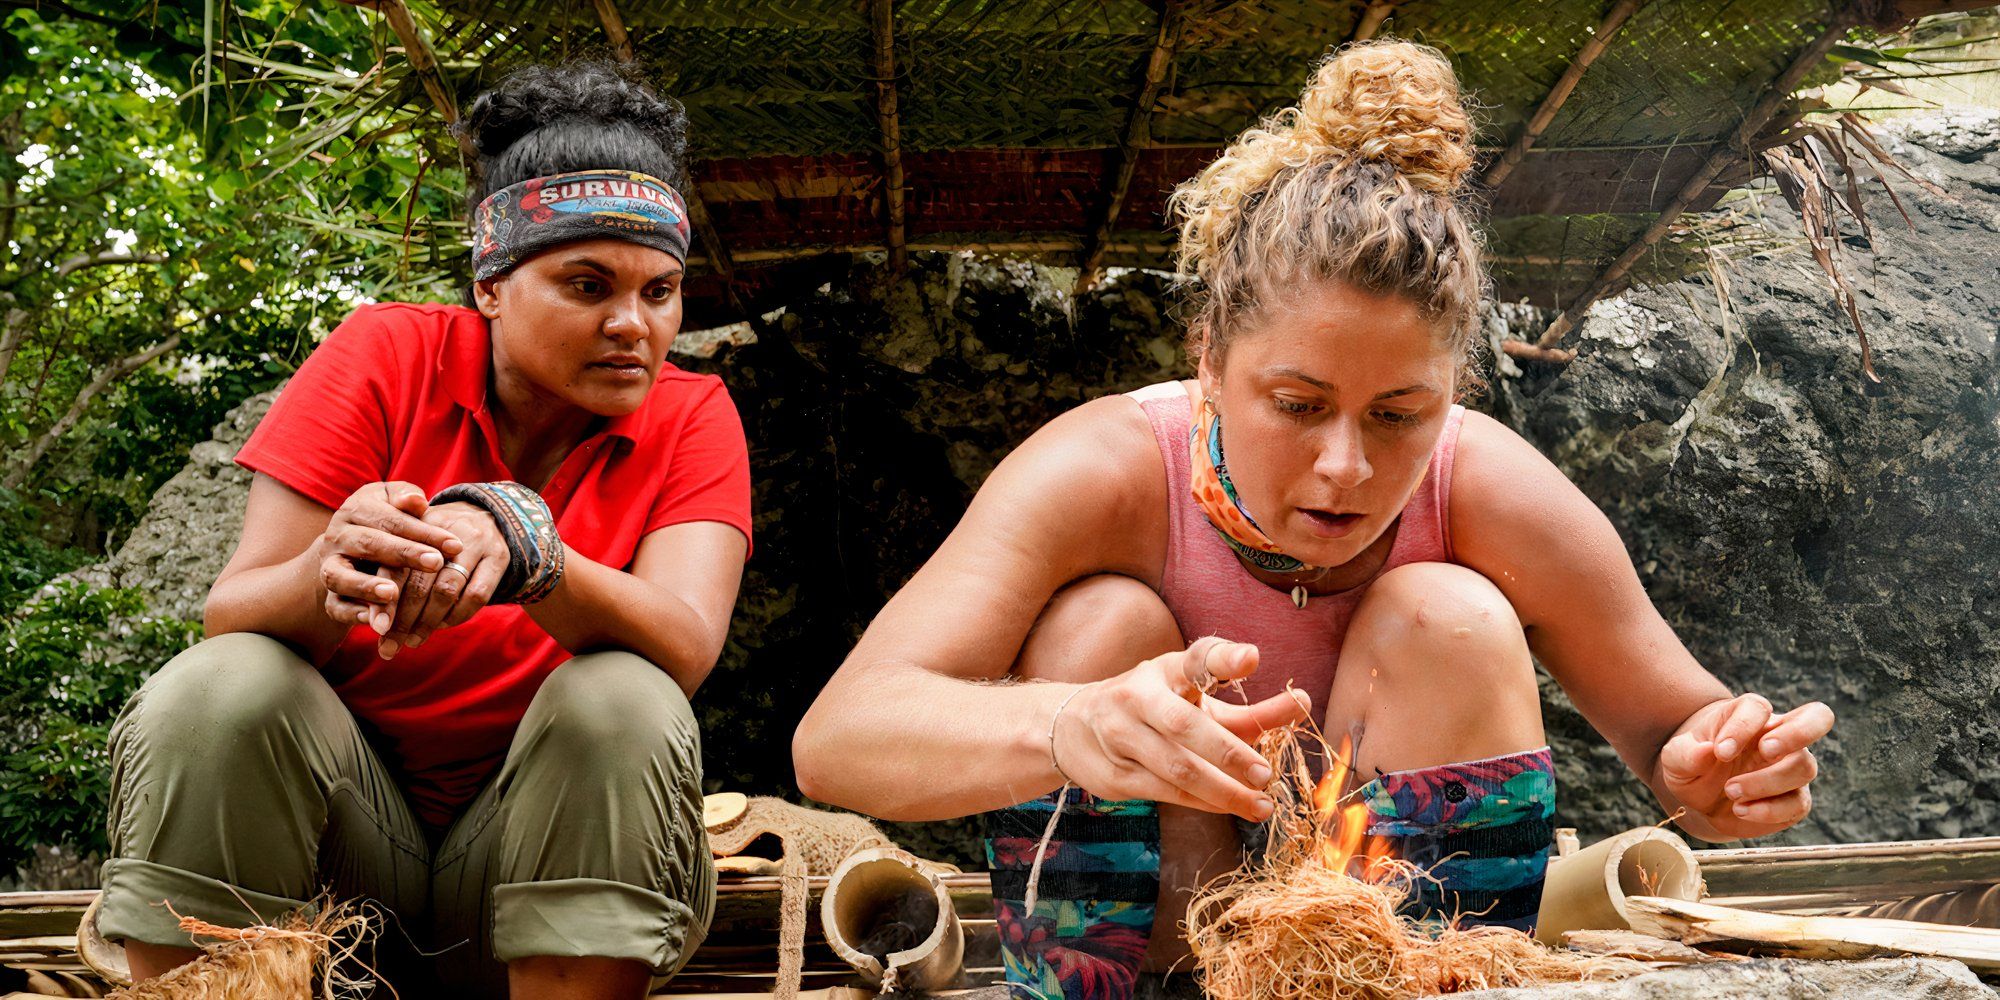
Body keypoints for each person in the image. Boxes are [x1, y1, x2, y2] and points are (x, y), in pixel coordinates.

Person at [792, 40, 1833, 1000]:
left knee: (1450, 618)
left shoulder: (1490, 490)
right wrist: (1071, 726)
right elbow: (838, 741)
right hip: (1152, 953)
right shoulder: (1103, 470)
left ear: (1454, 388)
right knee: (1095, 630)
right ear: (1209, 361)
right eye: (1295, 406)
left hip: (1375, 952)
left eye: (1398, 414)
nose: (1345, 465)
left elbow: (1684, 751)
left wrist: (1725, 773)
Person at [94, 62, 751, 999]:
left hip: (538, 883)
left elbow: (683, 646)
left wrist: (531, 548)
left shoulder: (695, 415)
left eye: (660, 292)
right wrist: (334, 567)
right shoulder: (381, 355)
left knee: (625, 698)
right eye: (587, 284)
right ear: (491, 284)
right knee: (222, 684)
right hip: (338, 881)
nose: (631, 325)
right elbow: (232, 611)